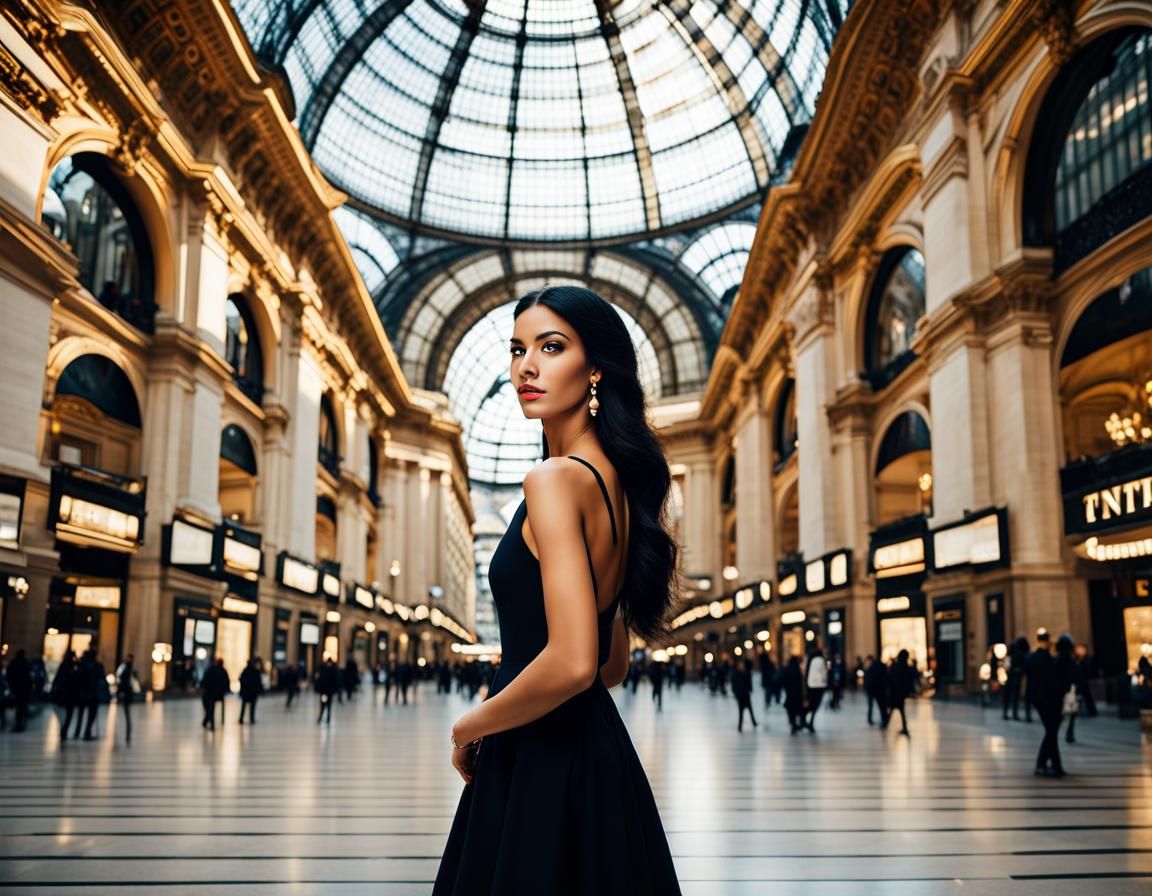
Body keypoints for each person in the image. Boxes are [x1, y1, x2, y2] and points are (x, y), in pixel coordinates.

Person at [434, 286, 680, 894]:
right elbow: (610, 663)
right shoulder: (619, 486)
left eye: (551, 347)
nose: (526, 367)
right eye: (517, 349)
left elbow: (573, 663)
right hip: (597, 759)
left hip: (538, 760)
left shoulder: (554, 480)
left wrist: (471, 726)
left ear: (596, 368)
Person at [1025, 629, 1067, 777]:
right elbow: (1053, 680)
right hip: (1049, 700)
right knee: (1051, 732)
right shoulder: (1048, 659)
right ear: (1047, 641)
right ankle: (1044, 764)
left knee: (1051, 732)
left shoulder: (1031, 658)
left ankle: (1054, 765)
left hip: (1037, 699)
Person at [1055, 633, 1084, 744]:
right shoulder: (1070, 661)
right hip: (1069, 689)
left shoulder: (1058, 660)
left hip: (1064, 690)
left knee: (1064, 713)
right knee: (1070, 713)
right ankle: (1069, 732)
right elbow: (1077, 676)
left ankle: (1066, 732)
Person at [75, 649, 105, 740]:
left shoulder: (82, 665)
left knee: (81, 713)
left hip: (83, 693)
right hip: (92, 693)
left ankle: (78, 732)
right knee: (91, 714)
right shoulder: (97, 666)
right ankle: (87, 731)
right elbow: (101, 680)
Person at [51, 650, 81, 740]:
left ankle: (64, 730)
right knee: (68, 714)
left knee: (66, 713)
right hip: (68, 694)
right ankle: (64, 730)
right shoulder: (71, 666)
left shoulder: (66, 665)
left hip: (67, 694)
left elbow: (57, 679)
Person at [885, 650, 914, 736]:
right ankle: (904, 728)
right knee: (901, 711)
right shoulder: (906, 667)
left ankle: (886, 724)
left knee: (893, 709)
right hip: (901, 694)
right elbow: (909, 681)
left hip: (894, 692)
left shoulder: (895, 665)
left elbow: (889, 677)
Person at [114, 654, 140, 742]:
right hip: (123, 693)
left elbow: (133, 680)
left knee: (127, 714)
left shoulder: (131, 669)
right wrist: (120, 691)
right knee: (122, 714)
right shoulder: (123, 668)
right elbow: (120, 680)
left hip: (127, 693)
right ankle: (122, 733)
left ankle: (128, 732)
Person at [1004, 635, 1031, 721]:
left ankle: (1007, 713)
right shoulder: (1020, 653)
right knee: (1014, 695)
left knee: (1009, 694)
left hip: (1011, 675)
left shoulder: (1013, 651)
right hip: (1015, 675)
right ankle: (1013, 713)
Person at [6, 648, 32, 733]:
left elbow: (9, 675)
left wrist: (11, 686)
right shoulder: (25, 662)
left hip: (16, 688)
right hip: (24, 689)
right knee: (22, 707)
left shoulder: (13, 662)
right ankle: (20, 724)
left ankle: (19, 724)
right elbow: (29, 677)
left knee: (19, 707)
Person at [200, 657, 230, 731]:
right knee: (211, 707)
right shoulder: (223, 671)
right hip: (219, 694)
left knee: (209, 705)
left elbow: (205, 681)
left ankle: (208, 721)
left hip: (210, 694)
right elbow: (227, 683)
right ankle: (207, 720)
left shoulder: (211, 670)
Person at [804, 646, 828, 732]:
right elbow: (824, 673)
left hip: (811, 685)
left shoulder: (811, 660)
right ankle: (809, 721)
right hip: (819, 686)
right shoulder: (821, 660)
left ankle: (805, 719)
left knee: (811, 704)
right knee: (815, 705)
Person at [781, 655, 805, 734]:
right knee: (796, 709)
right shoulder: (797, 669)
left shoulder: (787, 669)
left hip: (789, 693)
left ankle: (793, 723)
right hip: (797, 693)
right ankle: (796, 724)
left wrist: (786, 687)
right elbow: (801, 682)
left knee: (791, 710)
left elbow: (782, 679)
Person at [732, 658, 757, 732]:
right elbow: (734, 684)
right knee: (741, 711)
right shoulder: (736, 674)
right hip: (740, 695)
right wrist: (735, 693)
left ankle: (753, 722)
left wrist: (750, 690)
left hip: (746, 694)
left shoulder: (746, 672)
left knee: (750, 709)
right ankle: (740, 726)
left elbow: (749, 682)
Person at [863, 654, 887, 726]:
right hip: (875, 690)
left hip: (874, 690)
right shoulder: (872, 667)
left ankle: (879, 720)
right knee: (878, 706)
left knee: (877, 706)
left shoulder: (872, 668)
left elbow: (870, 680)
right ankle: (875, 719)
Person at [238, 658, 263, 724]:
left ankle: (241, 718)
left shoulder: (245, 670)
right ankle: (251, 719)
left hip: (246, 692)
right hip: (253, 692)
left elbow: (241, 679)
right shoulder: (255, 671)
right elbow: (259, 682)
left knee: (243, 706)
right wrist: (260, 690)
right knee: (252, 706)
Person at [316, 656, 340, 724]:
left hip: (325, 691)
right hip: (328, 691)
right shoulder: (333, 669)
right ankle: (326, 718)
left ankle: (323, 718)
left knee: (323, 704)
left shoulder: (324, 669)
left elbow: (320, 680)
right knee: (327, 704)